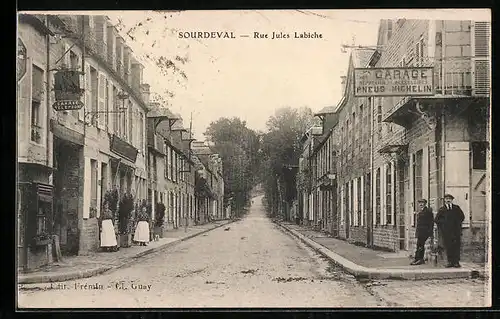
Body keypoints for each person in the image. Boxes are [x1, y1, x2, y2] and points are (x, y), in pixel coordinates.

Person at [434, 194, 465, 268]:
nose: (448, 200)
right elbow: (436, 220)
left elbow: (462, 217)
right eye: (446, 199)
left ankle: (456, 262)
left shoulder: (456, 208)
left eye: (449, 199)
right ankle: (450, 262)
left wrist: (457, 224)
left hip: (456, 231)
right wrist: (444, 223)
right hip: (447, 232)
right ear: (444, 200)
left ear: (452, 200)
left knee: (456, 246)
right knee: (448, 247)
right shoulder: (442, 209)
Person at [410, 199, 434, 265]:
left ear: (425, 203)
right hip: (420, 231)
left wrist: (429, 232)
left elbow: (431, 222)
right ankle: (417, 259)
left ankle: (420, 259)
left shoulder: (428, 211)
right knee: (419, 245)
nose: (421, 204)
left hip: (425, 231)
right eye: (419, 203)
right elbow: (418, 224)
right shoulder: (420, 211)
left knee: (421, 245)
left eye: (422, 203)